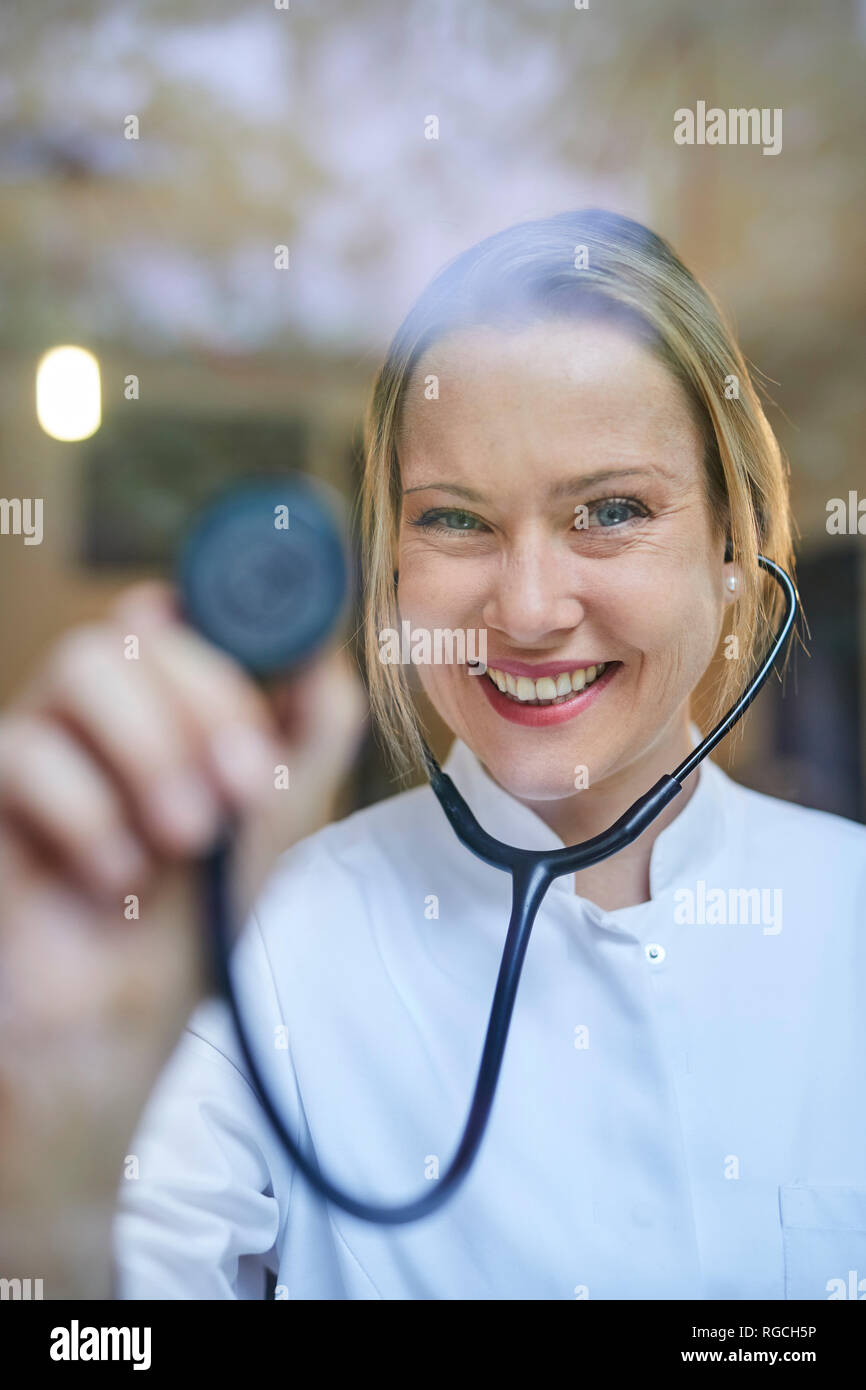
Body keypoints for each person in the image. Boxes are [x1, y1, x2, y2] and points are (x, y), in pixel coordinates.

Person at [1, 209, 864, 1301]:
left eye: (609, 510)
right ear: (391, 569)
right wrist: (46, 1152)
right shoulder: (255, 941)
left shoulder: (850, 911)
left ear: (729, 557)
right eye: (455, 522)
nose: (530, 607)